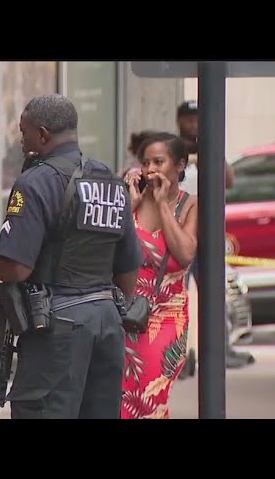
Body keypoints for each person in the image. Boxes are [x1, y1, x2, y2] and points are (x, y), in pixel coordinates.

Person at [0, 94, 142, 419]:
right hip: (107, 324)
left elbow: (17, 267)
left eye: (24, 133)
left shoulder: (35, 182)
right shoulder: (109, 181)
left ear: (44, 134)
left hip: (58, 328)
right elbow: (128, 269)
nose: (21, 142)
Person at [122, 132, 197, 419]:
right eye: (145, 162)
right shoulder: (134, 200)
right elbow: (108, 248)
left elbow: (185, 253)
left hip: (164, 319)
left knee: (149, 398)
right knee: (121, 399)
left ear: (179, 165)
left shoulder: (190, 204)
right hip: (124, 316)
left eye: (158, 161)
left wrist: (164, 203)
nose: (150, 169)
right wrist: (131, 205)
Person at [175, 100, 252, 371]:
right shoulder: (172, 150)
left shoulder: (210, 145)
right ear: (180, 120)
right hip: (179, 232)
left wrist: (210, 148)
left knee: (215, 295)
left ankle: (221, 350)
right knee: (175, 296)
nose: (194, 124)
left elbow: (229, 179)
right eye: (189, 119)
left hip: (209, 234)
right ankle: (178, 355)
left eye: (198, 118)